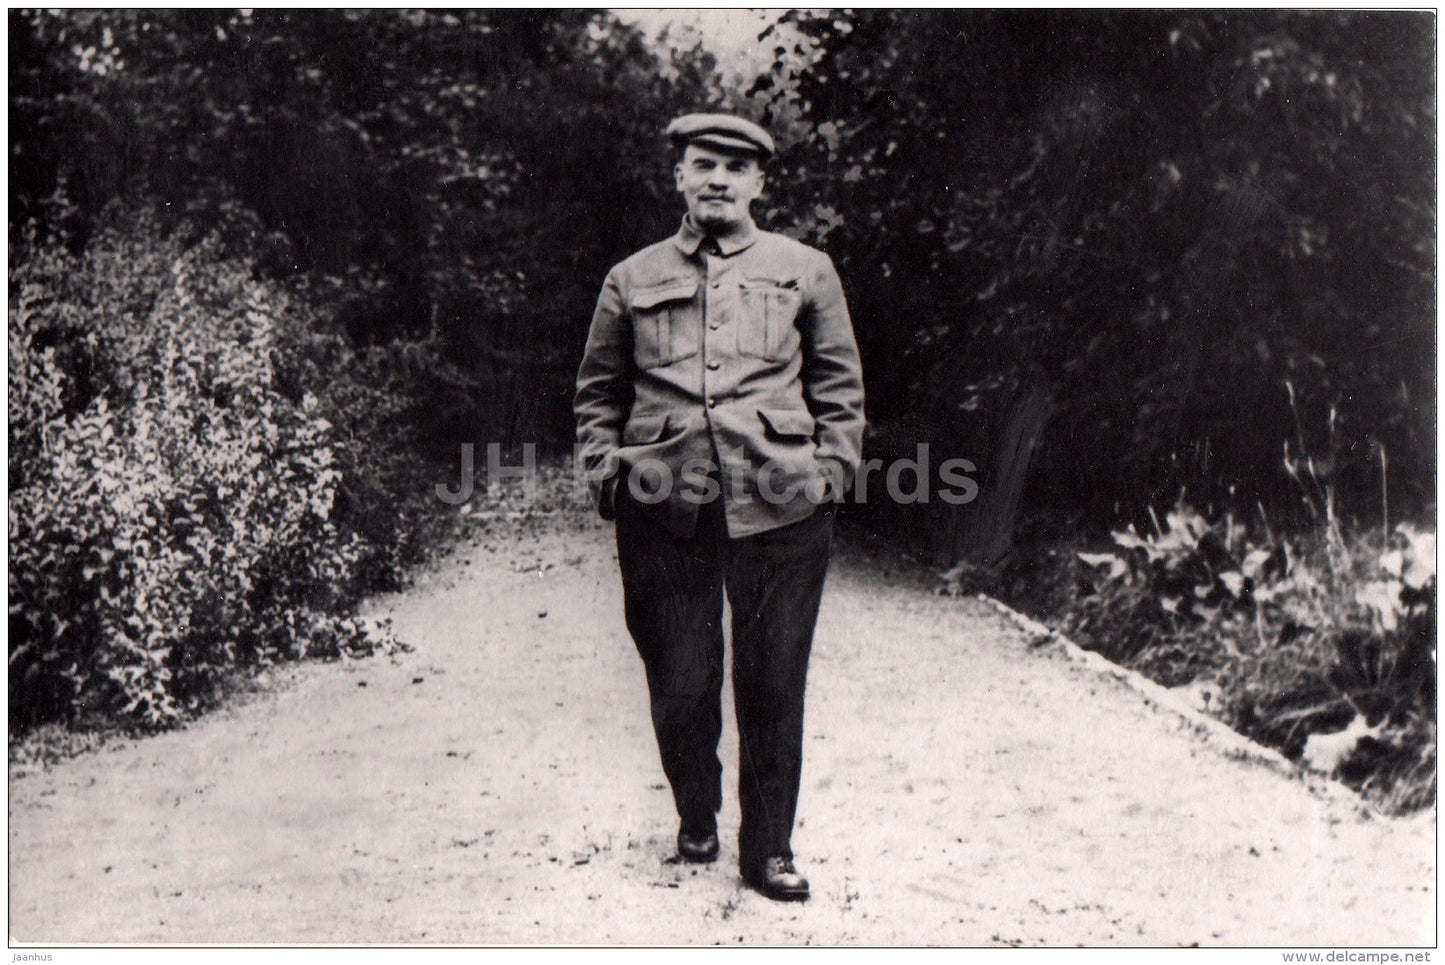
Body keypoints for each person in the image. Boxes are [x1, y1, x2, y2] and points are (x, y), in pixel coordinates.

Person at [574, 112, 865, 902]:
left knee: (772, 680)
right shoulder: (629, 278)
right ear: (678, 174)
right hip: (662, 502)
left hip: (781, 503)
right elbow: (597, 391)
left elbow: (840, 389)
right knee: (679, 677)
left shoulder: (805, 268)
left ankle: (767, 849)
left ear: (759, 183)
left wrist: (829, 474)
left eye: (736, 168)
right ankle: (694, 809)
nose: (718, 179)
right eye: (704, 164)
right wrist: (607, 472)